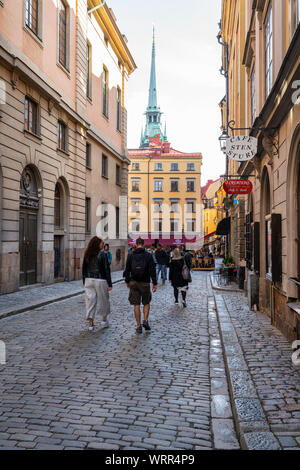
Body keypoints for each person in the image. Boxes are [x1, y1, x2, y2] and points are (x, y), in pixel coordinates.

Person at [124, 237, 157, 334]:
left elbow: (127, 270)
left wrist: (127, 281)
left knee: (136, 304)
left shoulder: (131, 255)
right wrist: (154, 283)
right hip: (145, 282)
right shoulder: (148, 255)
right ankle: (145, 320)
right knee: (146, 302)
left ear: (136, 244)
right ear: (143, 244)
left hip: (134, 282)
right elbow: (152, 270)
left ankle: (138, 326)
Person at [82, 236, 112, 331]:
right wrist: (110, 283)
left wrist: (84, 281)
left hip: (89, 280)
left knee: (90, 301)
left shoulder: (87, 253)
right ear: (97, 244)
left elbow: (84, 268)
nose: (103, 245)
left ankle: (91, 324)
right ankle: (104, 321)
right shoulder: (102, 254)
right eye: (101, 243)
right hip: (100, 280)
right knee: (103, 300)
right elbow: (107, 269)